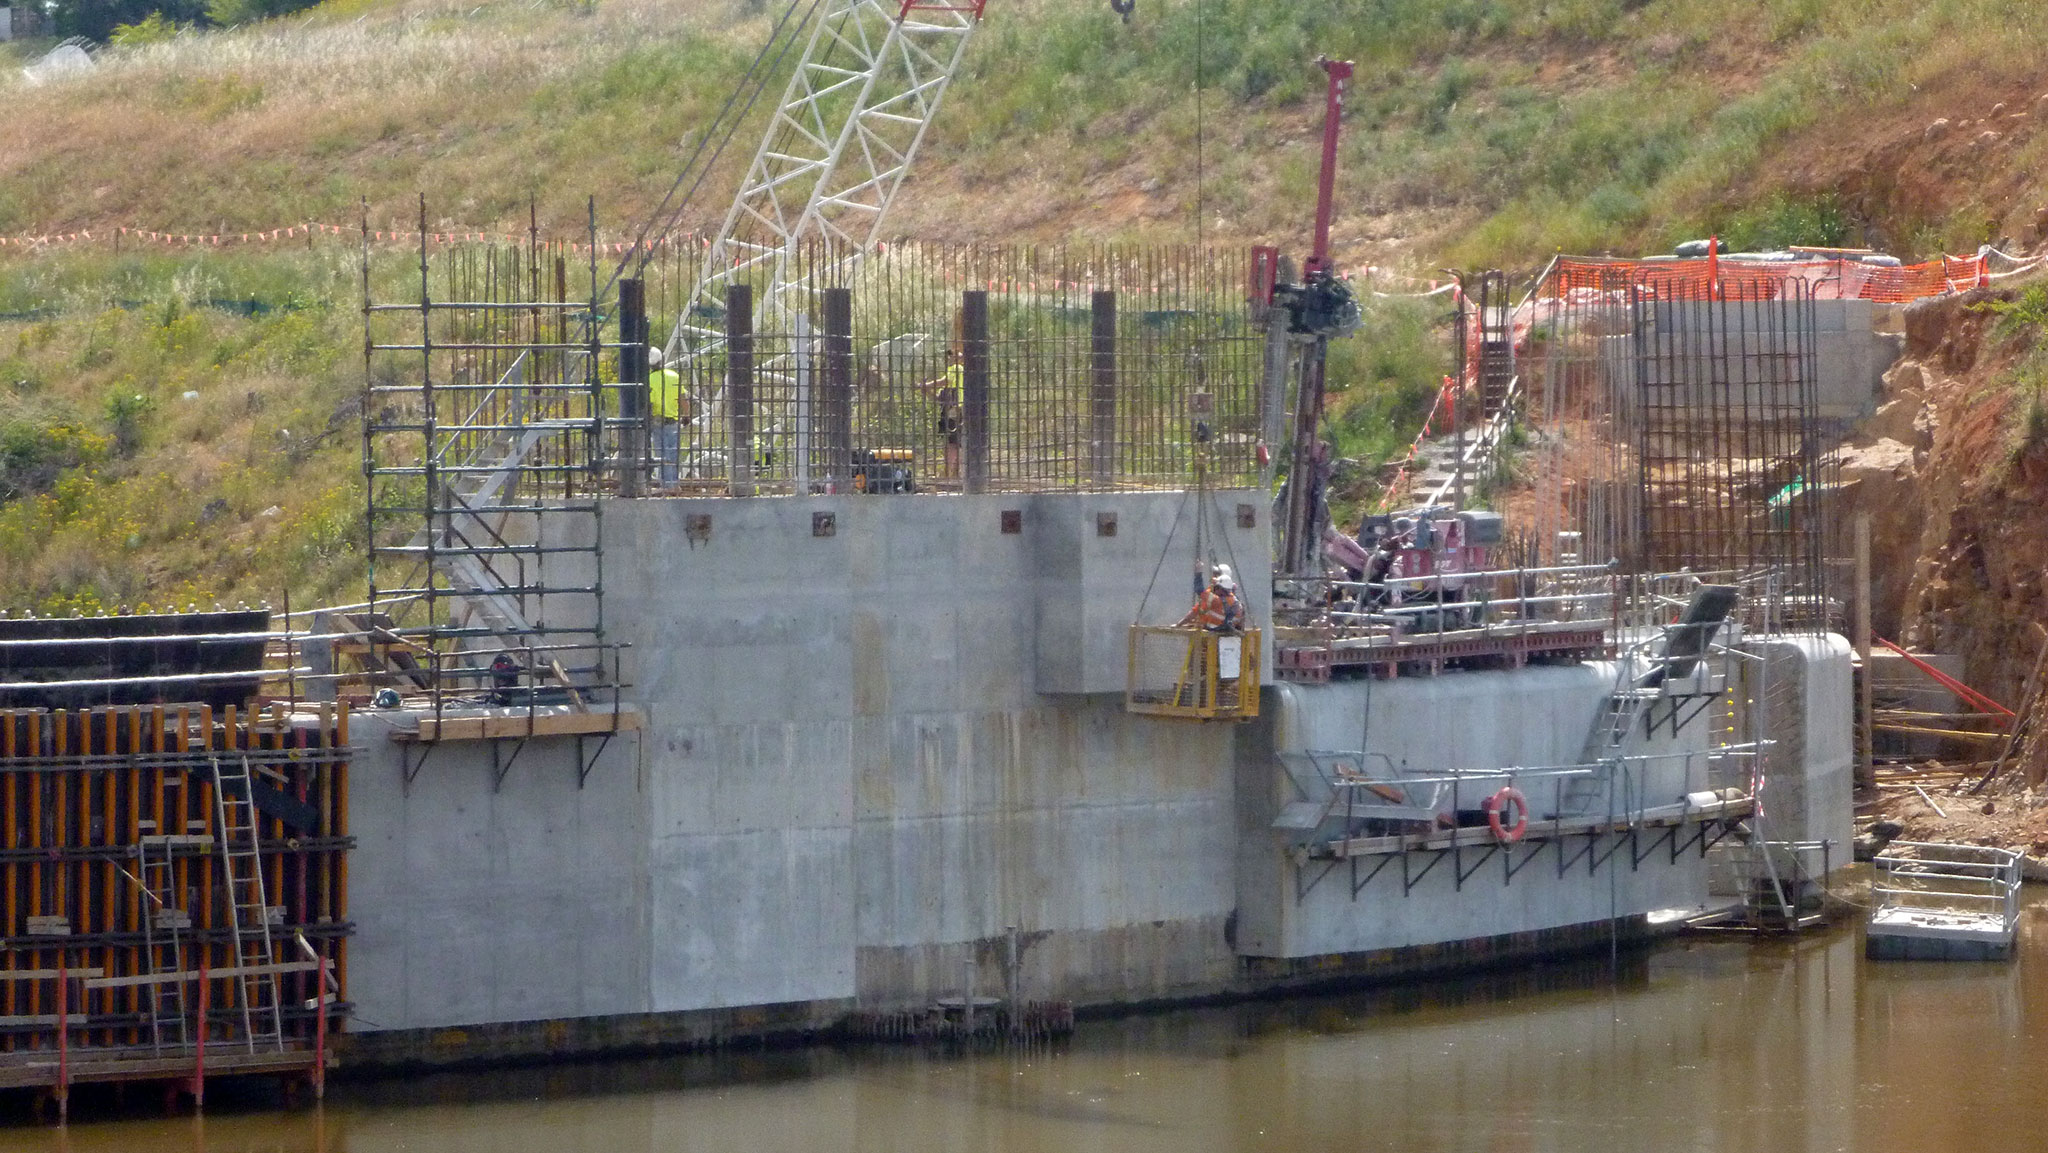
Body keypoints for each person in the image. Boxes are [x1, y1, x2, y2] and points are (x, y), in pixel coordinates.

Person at [648, 346, 689, 487]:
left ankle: (665, 485)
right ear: (662, 360)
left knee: (660, 455)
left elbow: (650, 405)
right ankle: (672, 484)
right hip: (673, 422)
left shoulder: (649, 380)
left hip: (657, 422)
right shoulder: (674, 376)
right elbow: (682, 398)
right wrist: (686, 415)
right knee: (672, 455)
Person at [923, 349, 964, 479]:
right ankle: (953, 473)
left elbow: (943, 381)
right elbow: (939, 398)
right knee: (953, 442)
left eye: (955, 354)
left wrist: (925, 385)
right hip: (952, 411)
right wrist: (926, 390)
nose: (951, 357)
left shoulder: (957, 369)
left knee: (953, 442)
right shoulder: (953, 382)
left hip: (955, 411)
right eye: (950, 355)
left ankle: (948, 473)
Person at [1179, 563, 1242, 632]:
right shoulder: (1232, 597)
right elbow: (1196, 610)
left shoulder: (1216, 599)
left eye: (1216, 574)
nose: (1213, 577)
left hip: (1214, 630)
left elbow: (1199, 590)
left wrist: (1198, 573)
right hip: (1221, 629)